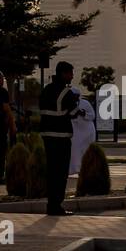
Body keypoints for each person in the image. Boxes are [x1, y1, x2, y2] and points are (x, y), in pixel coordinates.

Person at [39, 61, 80, 215]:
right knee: (61, 172)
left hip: (47, 136)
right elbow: (73, 113)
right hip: (62, 137)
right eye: (70, 73)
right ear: (63, 74)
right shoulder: (66, 93)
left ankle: (51, 204)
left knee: (51, 172)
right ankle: (57, 205)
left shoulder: (46, 89)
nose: (72, 76)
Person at [67, 86, 97, 176]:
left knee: (86, 151)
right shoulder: (67, 104)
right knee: (74, 152)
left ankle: (85, 170)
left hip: (87, 132)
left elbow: (92, 116)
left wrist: (83, 113)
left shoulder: (85, 103)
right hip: (75, 132)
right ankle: (74, 170)